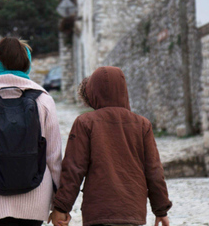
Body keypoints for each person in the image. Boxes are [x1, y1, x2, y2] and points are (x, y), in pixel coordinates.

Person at [50, 66, 172, 226]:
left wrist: (61, 207)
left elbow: (73, 169)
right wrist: (161, 210)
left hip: (98, 212)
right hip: (132, 211)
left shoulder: (85, 123)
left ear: (92, 92)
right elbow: (154, 171)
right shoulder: (142, 125)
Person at [0, 37, 62, 226]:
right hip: (35, 202)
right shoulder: (43, 100)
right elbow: (54, 158)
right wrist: (58, 206)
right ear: (28, 64)